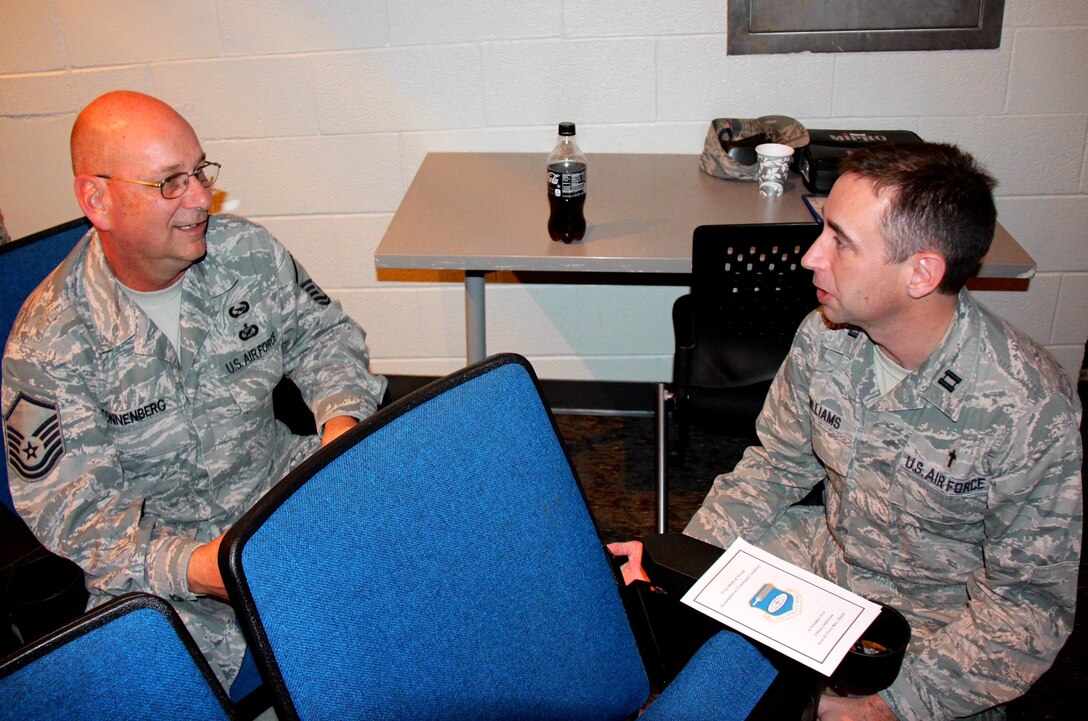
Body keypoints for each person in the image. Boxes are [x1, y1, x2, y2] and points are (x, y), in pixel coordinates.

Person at [611, 142, 1083, 721]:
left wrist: (884, 707)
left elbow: (1027, 608)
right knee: (666, 641)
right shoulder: (826, 335)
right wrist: (680, 566)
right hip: (827, 561)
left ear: (921, 273)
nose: (810, 257)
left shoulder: (1028, 408)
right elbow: (774, 467)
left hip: (932, 626)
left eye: (841, 241)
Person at [1, 91, 387, 688]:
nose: (202, 199)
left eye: (200, 172)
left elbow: (324, 337)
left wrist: (340, 431)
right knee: (141, 695)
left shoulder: (245, 253)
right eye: (170, 183)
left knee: (428, 576)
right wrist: (202, 568)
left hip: (281, 492)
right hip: (159, 572)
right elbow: (82, 520)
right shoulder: (50, 343)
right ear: (97, 199)